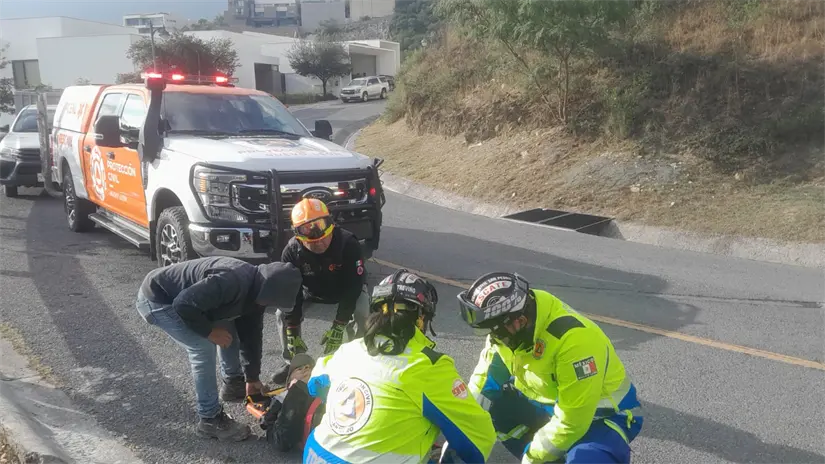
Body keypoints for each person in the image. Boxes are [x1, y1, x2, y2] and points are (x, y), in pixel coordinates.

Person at [302, 269, 497, 463]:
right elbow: (478, 438)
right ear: (422, 317)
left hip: (315, 455)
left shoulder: (351, 349)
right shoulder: (428, 365)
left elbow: (316, 384)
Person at [456, 272, 644, 464]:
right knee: (493, 408)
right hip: (550, 405)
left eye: (495, 332)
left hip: (603, 417)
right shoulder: (507, 329)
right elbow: (482, 387)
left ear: (519, 322)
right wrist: (457, 442)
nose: (492, 339)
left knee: (585, 458)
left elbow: (572, 421)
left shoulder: (576, 342)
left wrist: (532, 457)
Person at [135, 257, 302, 441]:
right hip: (159, 299)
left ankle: (234, 383)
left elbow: (251, 336)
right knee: (202, 347)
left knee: (228, 327)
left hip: (191, 303)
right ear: (267, 291)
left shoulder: (256, 292)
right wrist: (208, 332)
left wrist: (252, 378)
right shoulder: (231, 281)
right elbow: (183, 305)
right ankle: (209, 419)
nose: (268, 305)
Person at [271, 197, 370, 384]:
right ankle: (292, 362)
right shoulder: (291, 251)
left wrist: (340, 323)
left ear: (331, 226)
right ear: (298, 236)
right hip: (311, 291)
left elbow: (354, 286)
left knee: (363, 310)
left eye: (324, 238)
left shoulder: (348, 243)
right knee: (280, 314)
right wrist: (292, 326)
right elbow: (290, 292)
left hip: (344, 290)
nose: (319, 243)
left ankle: (361, 360)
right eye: (312, 240)